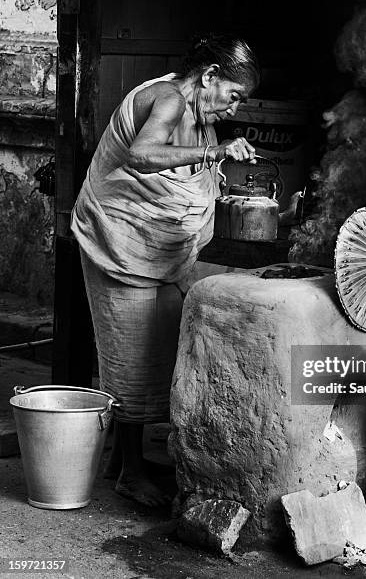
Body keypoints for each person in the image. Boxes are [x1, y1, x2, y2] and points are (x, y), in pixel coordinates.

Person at [71, 34, 260, 506]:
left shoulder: (198, 115)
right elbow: (142, 154)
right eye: (233, 95)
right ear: (210, 76)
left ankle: (121, 458)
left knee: (160, 349)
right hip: (120, 243)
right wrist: (214, 154)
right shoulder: (173, 98)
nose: (234, 109)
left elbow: (188, 181)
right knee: (130, 358)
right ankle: (130, 474)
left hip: (159, 256)